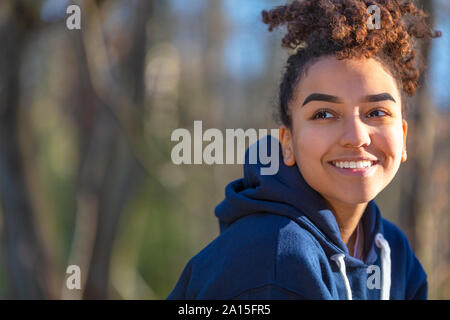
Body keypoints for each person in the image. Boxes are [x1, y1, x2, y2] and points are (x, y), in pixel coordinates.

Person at [167, 0, 441, 300]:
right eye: (324, 114)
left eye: (376, 112)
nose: (356, 137)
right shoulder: (277, 255)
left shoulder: (394, 252)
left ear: (402, 137)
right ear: (288, 143)